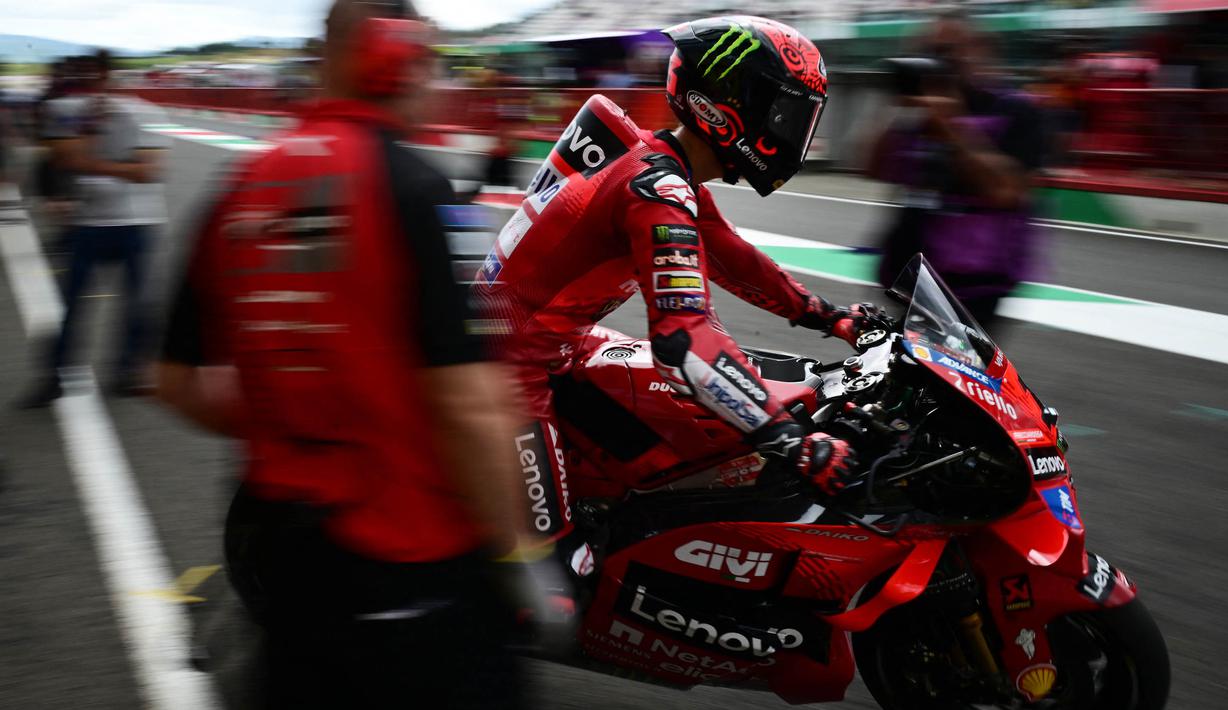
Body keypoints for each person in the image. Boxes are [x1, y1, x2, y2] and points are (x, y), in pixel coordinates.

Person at [156, 1, 534, 706]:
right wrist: (520, 556)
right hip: (413, 565)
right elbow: (472, 406)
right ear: (387, 57)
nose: (431, 79)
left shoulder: (241, 184)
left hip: (285, 558)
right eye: (425, 60)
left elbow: (176, 381)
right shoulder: (420, 191)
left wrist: (294, 415)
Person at [473, 16, 872, 567]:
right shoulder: (654, 187)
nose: (793, 132)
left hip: (555, 342)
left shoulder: (660, 166)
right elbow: (683, 344)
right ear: (726, 106)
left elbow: (733, 257)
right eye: (786, 113)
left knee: (666, 453)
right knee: (557, 574)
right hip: (508, 368)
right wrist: (795, 443)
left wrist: (829, 317)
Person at [867, 10, 1050, 334]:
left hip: (973, 282)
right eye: (926, 51)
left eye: (946, 51)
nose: (935, 61)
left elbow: (1007, 191)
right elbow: (873, 168)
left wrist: (949, 126)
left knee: (961, 379)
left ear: (980, 50)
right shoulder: (920, 110)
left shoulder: (1015, 109)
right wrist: (899, 109)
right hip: (907, 271)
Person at [20, 50, 170, 405]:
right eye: (79, 75)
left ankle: (128, 372)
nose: (86, 83)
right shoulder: (62, 111)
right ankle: (54, 377)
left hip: (137, 221)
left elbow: (147, 172)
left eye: (93, 74)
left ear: (107, 75)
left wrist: (89, 162)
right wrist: (95, 135)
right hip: (88, 223)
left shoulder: (143, 112)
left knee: (138, 306)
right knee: (69, 306)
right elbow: (64, 161)